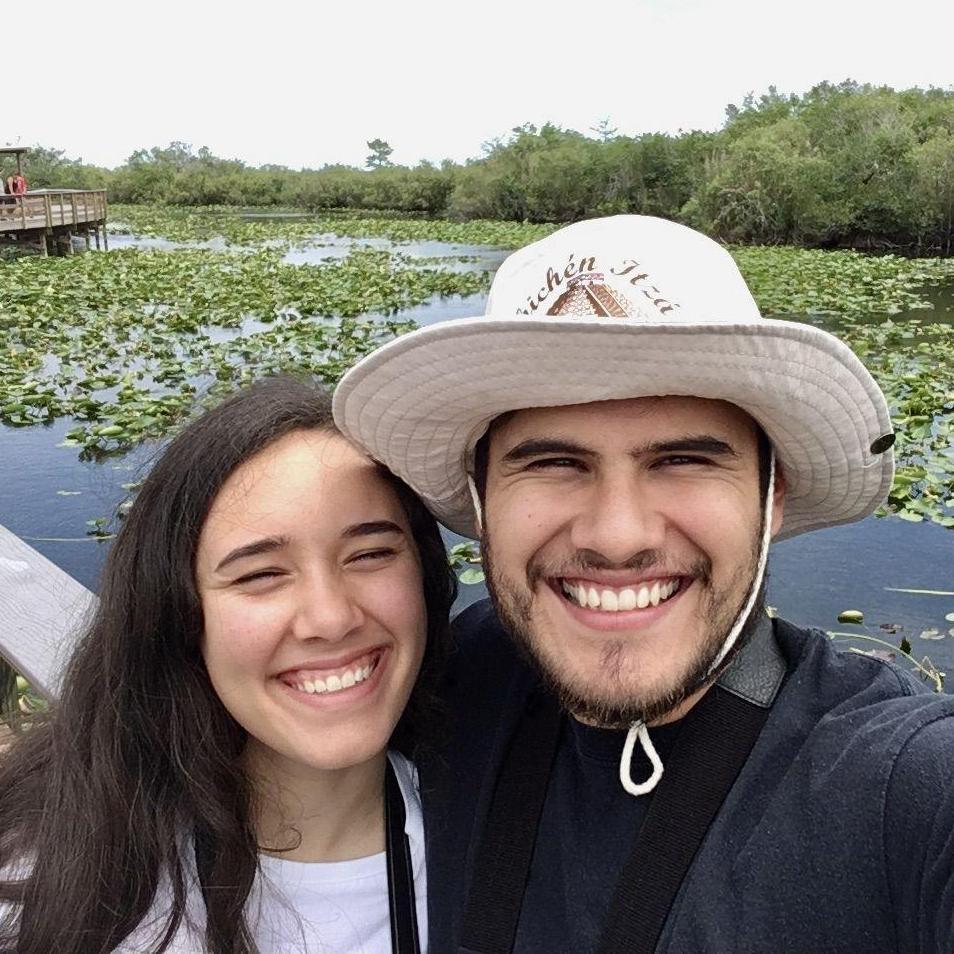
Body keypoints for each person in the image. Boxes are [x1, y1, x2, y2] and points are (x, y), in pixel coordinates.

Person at [333, 215, 954, 953]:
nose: (617, 536)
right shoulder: (454, 678)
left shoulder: (902, 787)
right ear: (480, 495)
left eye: (683, 460)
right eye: (554, 463)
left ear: (771, 494)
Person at [0, 376, 456, 953]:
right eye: (260, 574)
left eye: (369, 554)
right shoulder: (52, 879)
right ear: (180, 613)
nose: (331, 618)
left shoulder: (499, 843)